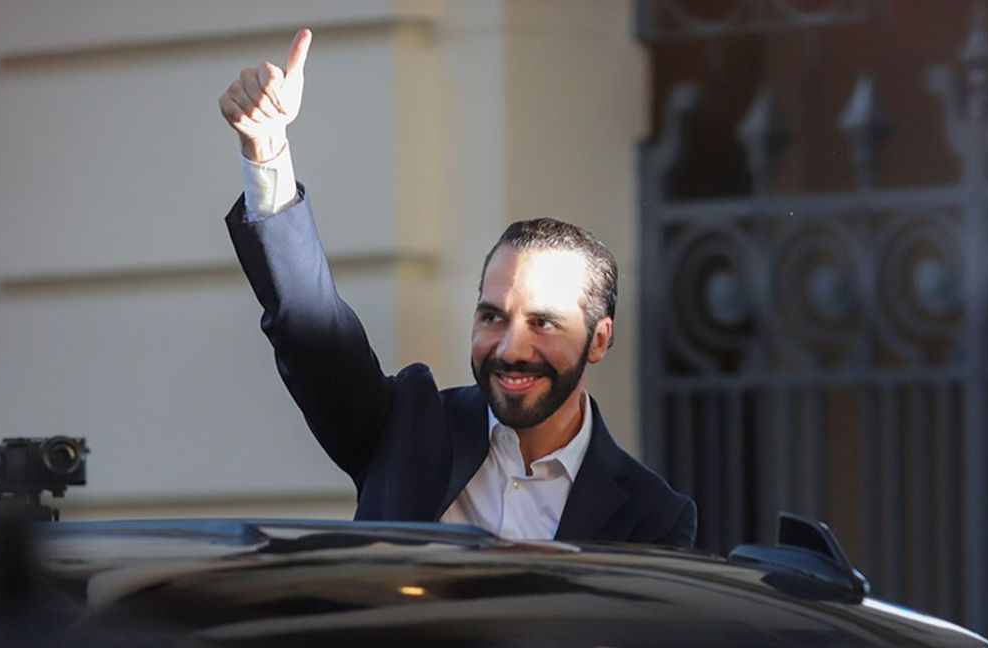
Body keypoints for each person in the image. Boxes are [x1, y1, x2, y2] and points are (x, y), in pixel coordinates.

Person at [219, 29, 696, 546]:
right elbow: (313, 332)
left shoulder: (654, 516)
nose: (512, 348)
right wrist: (267, 151)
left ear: (599, 339)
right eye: (493, 316)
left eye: (543, 322)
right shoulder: (407, 427)